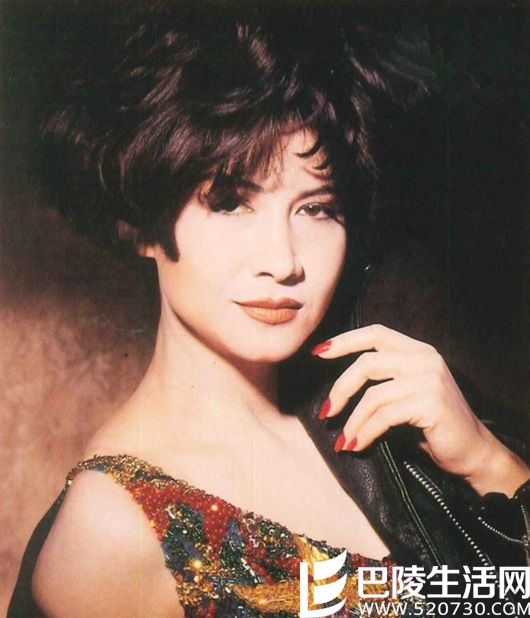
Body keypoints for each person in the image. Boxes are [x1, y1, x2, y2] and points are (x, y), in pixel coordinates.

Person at [7, 2, 530, 617]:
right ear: (143, 225)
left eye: (316, 208)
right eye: (230, 202)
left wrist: (487, 461)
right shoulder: (111, 534)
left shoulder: (387, 407)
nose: (283, 261)